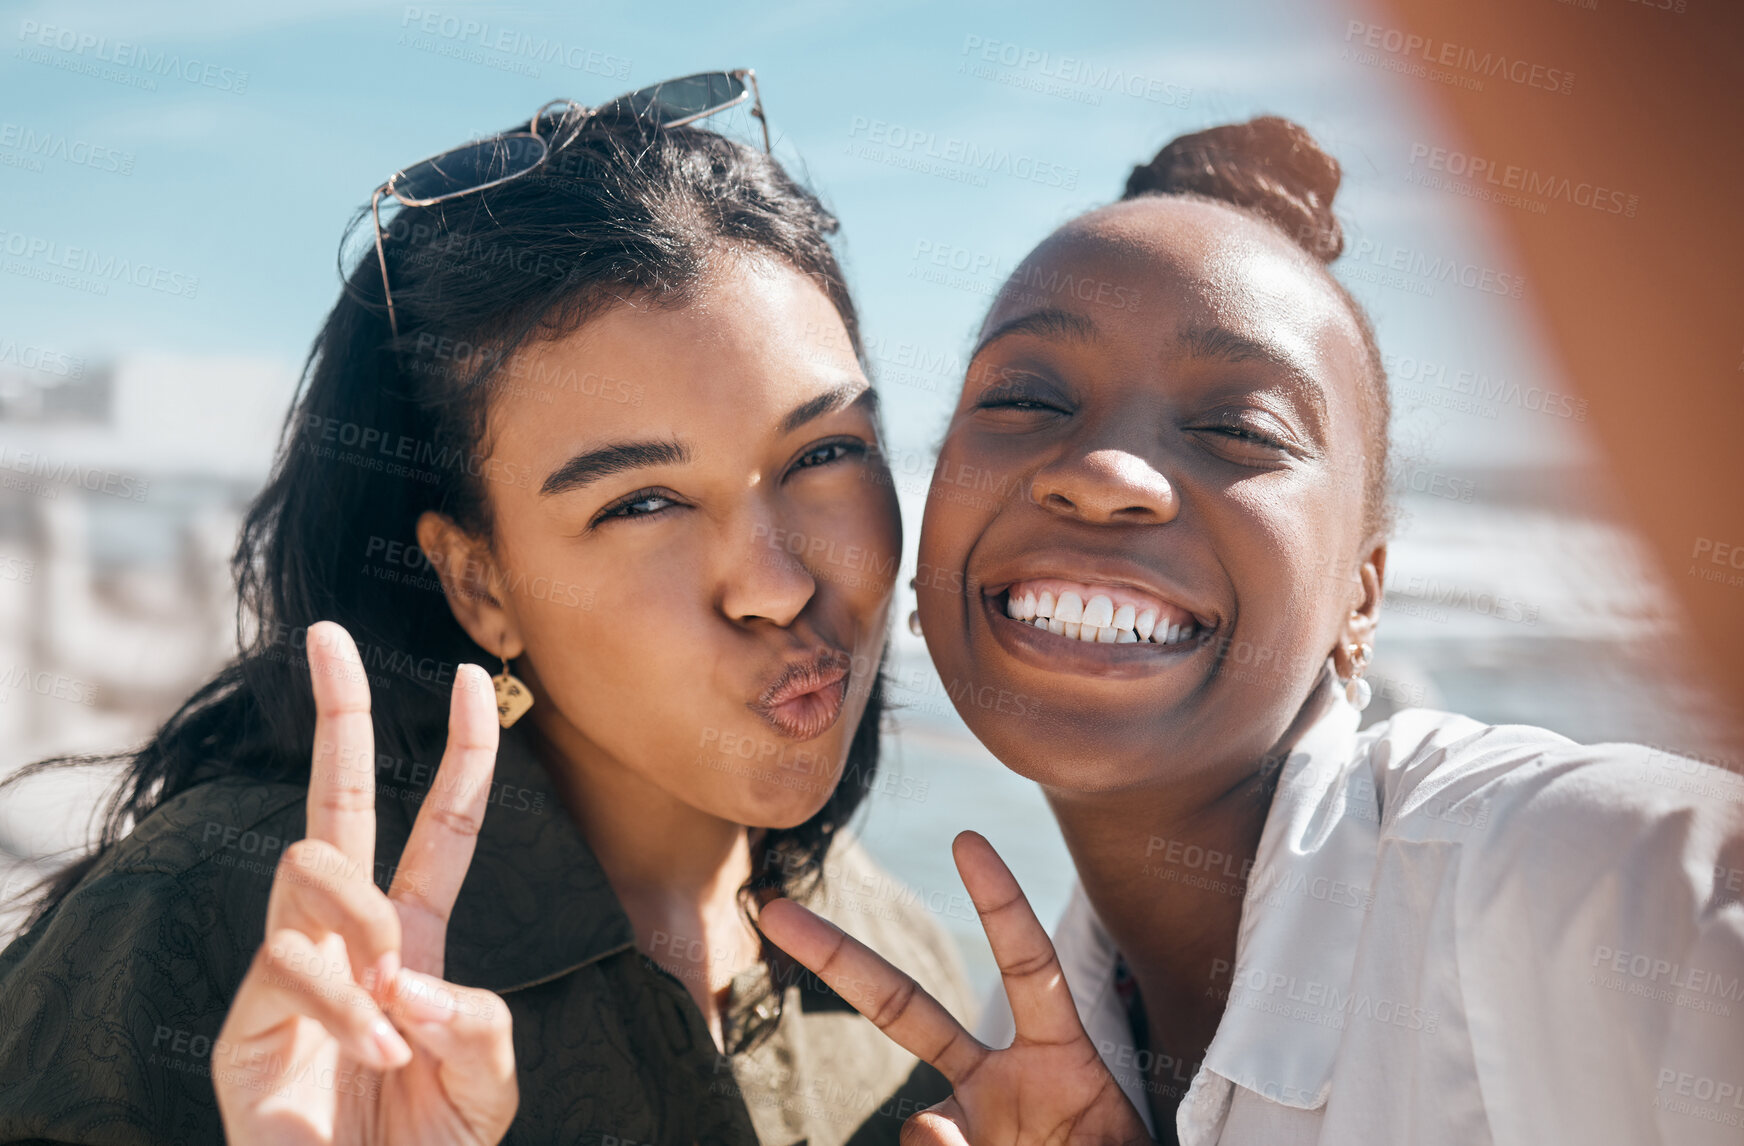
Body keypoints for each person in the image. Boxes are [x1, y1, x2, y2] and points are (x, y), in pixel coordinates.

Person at [0, 78, 969, 1145]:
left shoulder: (906, 968)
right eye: (642, 502)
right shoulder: (214, 937)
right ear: (479, 583)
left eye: (823, 452)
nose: (777, 583)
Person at [759, 116, 1744, 1145]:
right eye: (1026, 397)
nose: (1103, 476)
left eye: (1238, 429)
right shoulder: (1023, 1048)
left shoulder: (1587, 890)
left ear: (1361, 600)